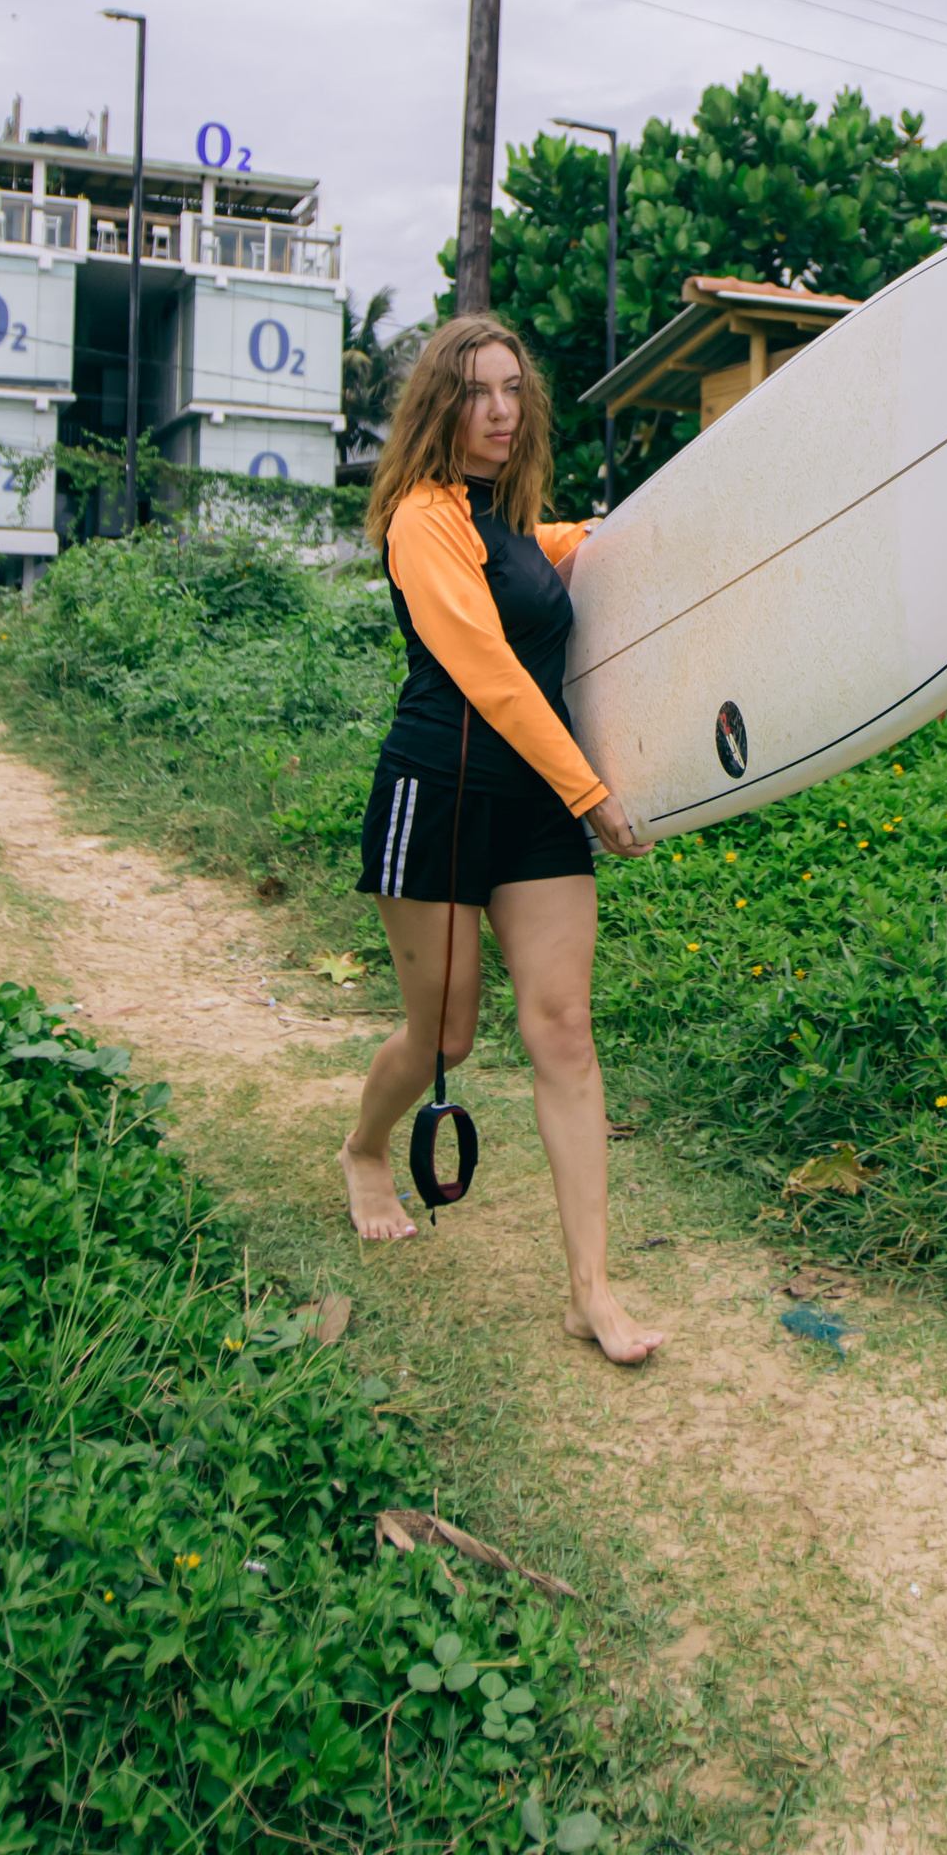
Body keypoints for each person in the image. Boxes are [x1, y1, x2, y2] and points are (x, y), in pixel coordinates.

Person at [341, 316, 666, 1365]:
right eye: (477, 391)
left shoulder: (523, 531)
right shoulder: (420, 521)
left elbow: (587, 553)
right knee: (444, 1036)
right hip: (433, 794)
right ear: (441, 405)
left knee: (564, 1029)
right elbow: (486, 669)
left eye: (514, 390)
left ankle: (591, 1290)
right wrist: (592, 791)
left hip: (529, 809)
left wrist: (640, 528)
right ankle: (362, 1148)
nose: (498, 410)